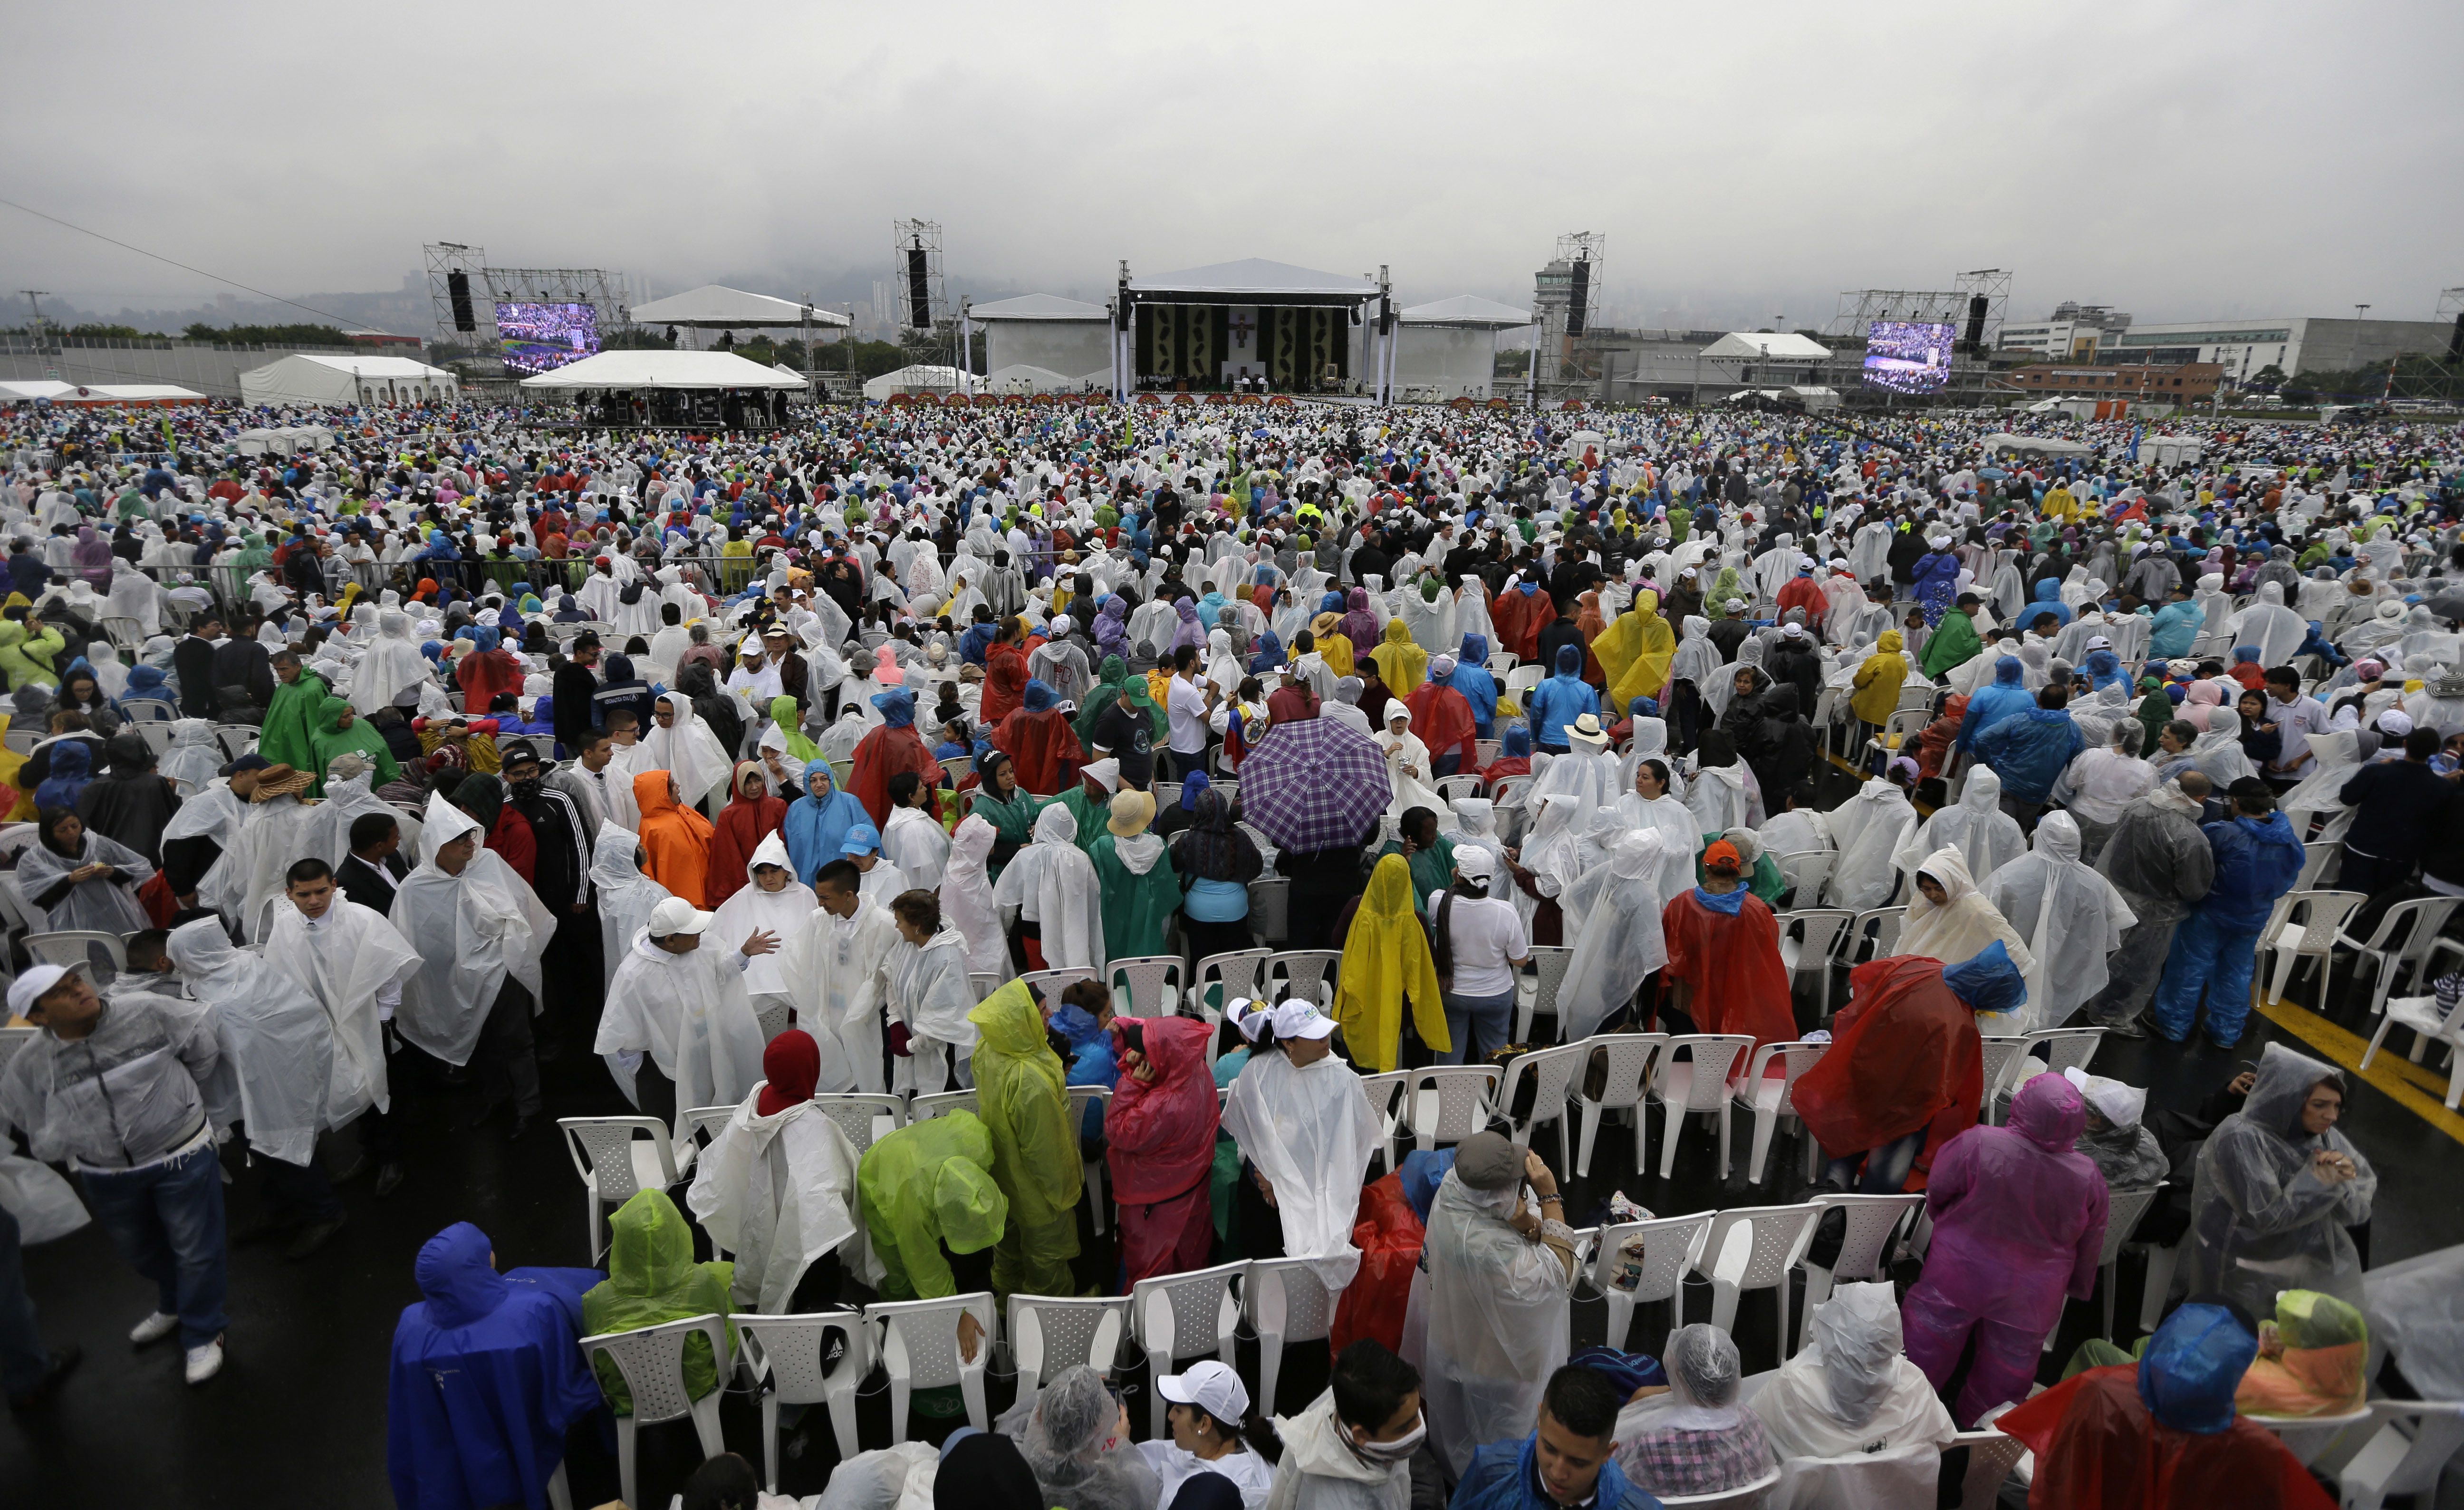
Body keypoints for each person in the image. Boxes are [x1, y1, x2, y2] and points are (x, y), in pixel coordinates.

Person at [0, 961, 229, 1384]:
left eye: (77, 981)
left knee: (196, 1249)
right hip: (106, 1173)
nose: (80, 990)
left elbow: (202, 1045)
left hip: (178, 1152)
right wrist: (81, 1142)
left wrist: (177, 1109)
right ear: (38, 1017)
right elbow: (31, 1119)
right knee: (142, 1249)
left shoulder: (145, 1011)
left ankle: (204, 1330)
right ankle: (176, 1302)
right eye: (62, 992)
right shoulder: (33, 1062)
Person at [1899, 1073, 2109, 1425]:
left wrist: (1949, 1225)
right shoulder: (2088, 1176)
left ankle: (1907, 1415)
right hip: (2032, 1293)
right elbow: (2092, 1240)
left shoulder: (1979, 1143)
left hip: (1960, 1271)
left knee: (1927, 1344)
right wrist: (2077, 1284)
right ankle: (1982, 1437)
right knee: (2009, 1369)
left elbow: (1939, 1188)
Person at [1993, 1301, 2338, 1510]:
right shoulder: (2248, 1447)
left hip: (2088, 1484)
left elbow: (2056, 1480)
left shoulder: (2105, 1392)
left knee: (1999, 1456)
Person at [385, 1221, 603, 1510]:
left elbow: (409, 1406)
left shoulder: (410, 1329)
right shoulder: (534, 1314)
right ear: (484, 1262)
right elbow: (564, 1384)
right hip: (528, 1432)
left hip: (453, 1449)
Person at [393, 790, 557, 1142]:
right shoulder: (416, 888)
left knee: (516, 1040)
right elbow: (413, 940)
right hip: (458, 979)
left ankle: (529, 1106)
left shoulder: (489, 863)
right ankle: (495, 1098)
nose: (470, 844)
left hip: (502, 970)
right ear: (436, 845)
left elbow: (522, 906)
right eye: (458, 839)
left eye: (471, 834)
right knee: (479, 1041)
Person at [265, 857, 423, 1202]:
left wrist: (381, 1020)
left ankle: (391, 1158)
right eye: (304, 894)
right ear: (289, 894)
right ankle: (368, 1151)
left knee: (384, 1088)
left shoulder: (363, 920)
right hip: (323, 1026)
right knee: (352, 1087)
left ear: (335, 885)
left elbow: (389, 972)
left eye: (321, 891)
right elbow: (280, 977)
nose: (314, 901)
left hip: (367, 1021)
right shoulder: (286, 927)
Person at [1792, 945, 2010, 1194]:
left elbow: (1866, 985)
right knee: (1885, 1174)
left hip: (1863, 1074)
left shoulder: (1918, 967)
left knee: (1848, 1148)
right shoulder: (1957, 1024)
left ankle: (1827, 1207)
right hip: (1904, 1107)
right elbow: (1942, 1087)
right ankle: (1863, 1224)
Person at [1420, 1132, 1576, 1474]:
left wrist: (1525, 1223)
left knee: (1467, 1430)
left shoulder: (1452, 1191)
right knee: (1502, 1441)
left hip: (1456, 1343)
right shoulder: (1493, 1252)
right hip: (1502, 1368)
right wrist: (1549, 1194)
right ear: (1498, 1196)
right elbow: (1561, 1271)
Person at [2185, 1043, 2375, 1322]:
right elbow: (2266, 1217)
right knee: (2235, 1328)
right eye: (2319, 1105)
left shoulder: (2323, 1136)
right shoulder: (2241, 1137)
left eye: (2337, 1106)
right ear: (2290, 1099)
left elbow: (2356, 1211)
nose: (2331, 1117)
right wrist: (2318, 1181)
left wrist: (2343, 1182)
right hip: (2240, 1253)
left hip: (2298, 1253)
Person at [685, 1029, 866, 1314]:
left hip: (756, 1220)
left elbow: (726, 1162)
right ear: (810, 1069)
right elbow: (837, 1188)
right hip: (808, 1247)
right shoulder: (815, 1127)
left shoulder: (751, 1109)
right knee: (818, 1267)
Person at [1220, 1000, 1381, 1287]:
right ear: (1288, 1043)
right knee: (1272, 1280)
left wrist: (1282, 1187)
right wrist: (1272, 1182)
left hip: (1319, 1188)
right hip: (1264, 1192)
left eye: (1324, 1032)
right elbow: (1250, 1130)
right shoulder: (1259, 1071)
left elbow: (1348, 1146)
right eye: (1314, 1035)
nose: (1325, 1039)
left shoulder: (1341, 1078)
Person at [596, 893, 773, 1136]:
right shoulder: (634, 974)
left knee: (712, 1124)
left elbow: (718, 975)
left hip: (707, 1054)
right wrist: (648, 1070)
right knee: (673, 1135)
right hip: (665, 1070)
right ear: (670, 939)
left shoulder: (698, 948)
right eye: (694, 931)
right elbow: (621, 1032)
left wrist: (743, 953)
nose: (701, 934)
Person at [2150, 781, 2303, 1047]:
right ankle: (2226, 1032)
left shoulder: (2221, 834)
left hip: (2210, 915)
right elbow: (2288, 879)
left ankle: (2173, 1025)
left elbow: (2194, 868)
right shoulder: (2289, 839)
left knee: (2189, 969)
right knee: (2237, 973)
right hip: (2254, 918)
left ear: (2235, 803)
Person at [1752, 1281, 1958, 1464]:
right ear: (1891, 1341)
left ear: (1830, 1333)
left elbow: (1754, 1437)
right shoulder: (1913, 1386)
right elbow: (1941, 1440)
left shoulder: (1795, 1383)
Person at [966, 978, 1082, 1298]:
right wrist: (1063, 1196)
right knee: (1048, 1263)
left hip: (1002, 1177)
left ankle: (1005, 1310)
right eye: (1042, 1012)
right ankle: (1052, 1322)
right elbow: (1045, 1150)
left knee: (1008, 1254)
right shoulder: (1029, 1081)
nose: (1050, 1017)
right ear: (1022, 1020)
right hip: (1037, 1194)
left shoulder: (990, 1047)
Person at [579, 1189, 736, 1417]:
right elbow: (726, 1329)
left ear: (622, 1241)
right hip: (697, 1385)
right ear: (677, 1232)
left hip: (630, 1395)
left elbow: (599, 1361)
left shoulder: (597, 1301)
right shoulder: (702, 1285)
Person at [1980, 811, 2138, 1034]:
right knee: (2044, 1012)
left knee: (2006, 1020)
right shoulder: (2094, 884)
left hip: (2010, 966)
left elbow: (1982, 918)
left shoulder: (2010, 876)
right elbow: (2108, 930)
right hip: (2063, 967)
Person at [2084, 774, 2215, 1037]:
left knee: (2103, 952)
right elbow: (2193, 888)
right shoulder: (2190, 837)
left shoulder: (2137, 808)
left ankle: (2086, 999)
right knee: (2134, 966)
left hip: (2117, 893)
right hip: (2156, 911)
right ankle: (2110, 1016)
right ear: (2201, 799)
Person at [856, 1108, 1009, 1314]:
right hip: (880, 1171)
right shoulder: (912, 1211)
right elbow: (927, 1270)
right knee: (898, 1271)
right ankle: (896, 1315)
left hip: (916, 1150)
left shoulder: (978, 1141)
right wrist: (958, 1314)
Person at [1451, 1363, 1660, 1510]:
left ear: (1608, 1453)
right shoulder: (1491, 1472)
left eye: (1578, 1463)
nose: (1558, 1473)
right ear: (1539, 1419)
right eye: (1550, 1449)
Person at [1106, 1013, 1220, 1284]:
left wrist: (1133, 1083)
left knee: (1152, 1272)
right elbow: (1162, 1045)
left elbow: (1118, 1131)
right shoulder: (1195, 1069)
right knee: (1188, 1258)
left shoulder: (1161, 1106)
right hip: (1192, 1187)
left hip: (1154, 1203)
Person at [778, 858, 903, 1094]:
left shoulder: (883, 924)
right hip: (828, 1012)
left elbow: (890, 976)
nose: (820, 903)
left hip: (868, 1015)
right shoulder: (818, 920)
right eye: (819, 896)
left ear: (847, 895)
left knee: (870, 1070)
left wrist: (863, 1009)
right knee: (831, 1072)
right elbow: (798, 959)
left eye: (826, 898)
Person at [1656, 836, 1794, 1047]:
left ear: (1705, 867)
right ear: (1738, 871)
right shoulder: (1756, 909)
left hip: (1687, 998)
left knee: (1684, 1059)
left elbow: (1668, 952)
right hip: (1736, 995)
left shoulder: (1682, 904)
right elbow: (1765, 954)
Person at [1611, 1324, 1777, 1499]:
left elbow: (1604, 1471)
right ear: (1733, 1374)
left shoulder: (1648, 1443)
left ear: (1677, 1373)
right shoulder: (1753, 1426)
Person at [1266, 1340, 1423, 1510]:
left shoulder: (1347, 1404)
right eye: (1405, 1428)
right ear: (1361, 1435)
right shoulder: (1337, 1503)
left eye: (1417, 1414)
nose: (1419, 1428)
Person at [995, 1362, 1161, 1510]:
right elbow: (1145, 1495)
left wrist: (1066, 1396)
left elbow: (1016, 1419)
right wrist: (1121, 1444)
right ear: (1100, 1428)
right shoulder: (1121, 1489)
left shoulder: (1012, 1464)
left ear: (1039, 1416)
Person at [1424, 847, 1531, 1065]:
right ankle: (1491, 1094)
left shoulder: (1438, 901)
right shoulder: (1506, 911)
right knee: (1495, 1056)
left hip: (1451, 991)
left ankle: (1450, 1096)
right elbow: (1519, 960)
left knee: (1449, 1055)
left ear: (1458, 875)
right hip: (1495, 994)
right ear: (1490, 878)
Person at [2336, 724, 2453, 895]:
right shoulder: (2443, 787)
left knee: (2349, 898)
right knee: (2382, 905)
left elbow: (2347, 797)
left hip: (2361, 848)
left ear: (2405, 744)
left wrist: (2379, 769)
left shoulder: (2377, 772)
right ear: (2436, 751)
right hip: (2401, 856)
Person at [1139, 1360, 1274, 1508]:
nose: (1170, 1416)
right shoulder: (1228, 1443)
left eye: (1178, 1410)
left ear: (1204, 1425)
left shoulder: (1209, 1496)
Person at [887, 889, 979, 1094]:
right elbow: (891, 976)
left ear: (917, 926)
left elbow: (942, 1023)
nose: (897, 927)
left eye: (900, 921)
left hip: (942, 1053)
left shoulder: (947, 960)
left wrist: (910, 1046)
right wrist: (895, 1021)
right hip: (914, 1044)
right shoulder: (909, 945)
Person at [18, 805, 152, 934]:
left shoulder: (99, 845)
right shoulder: (36, 859)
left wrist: (113, 872)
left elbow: (132, 872)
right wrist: (69, 881)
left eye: (75, 826)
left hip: (111, 911)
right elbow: (38, 899)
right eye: (63, 830)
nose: (71, 832)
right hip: (69, 920)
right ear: (50, 834)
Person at [1088, 788, 1179, 962]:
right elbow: (1167, 890)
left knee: (1116, 964)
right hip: (1150, 920)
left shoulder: (1101, 847)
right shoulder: (1158, 846)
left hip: (1113, 920)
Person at [2066, 1067, 2171, 1191]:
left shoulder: (2079, 1158)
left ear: (2095, 1121)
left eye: (2079, 1102)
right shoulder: (2143, 1143)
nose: (2071, 1104)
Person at [707, 760, 789, 906]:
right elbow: (727, 856)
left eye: (758, 780)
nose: (754, 787)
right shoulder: (728, 815)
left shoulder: (778, 806)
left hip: (777, 879)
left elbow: (785, 843)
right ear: (738, 785)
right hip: (746, 884)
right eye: (748, 782)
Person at [633, 768, 716, 908]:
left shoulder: (682, 811)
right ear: (661, 793)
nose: (678, 786)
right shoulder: (653, 829)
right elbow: (649, 873)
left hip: (706, 893)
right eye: (672, 784)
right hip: (681, 905)